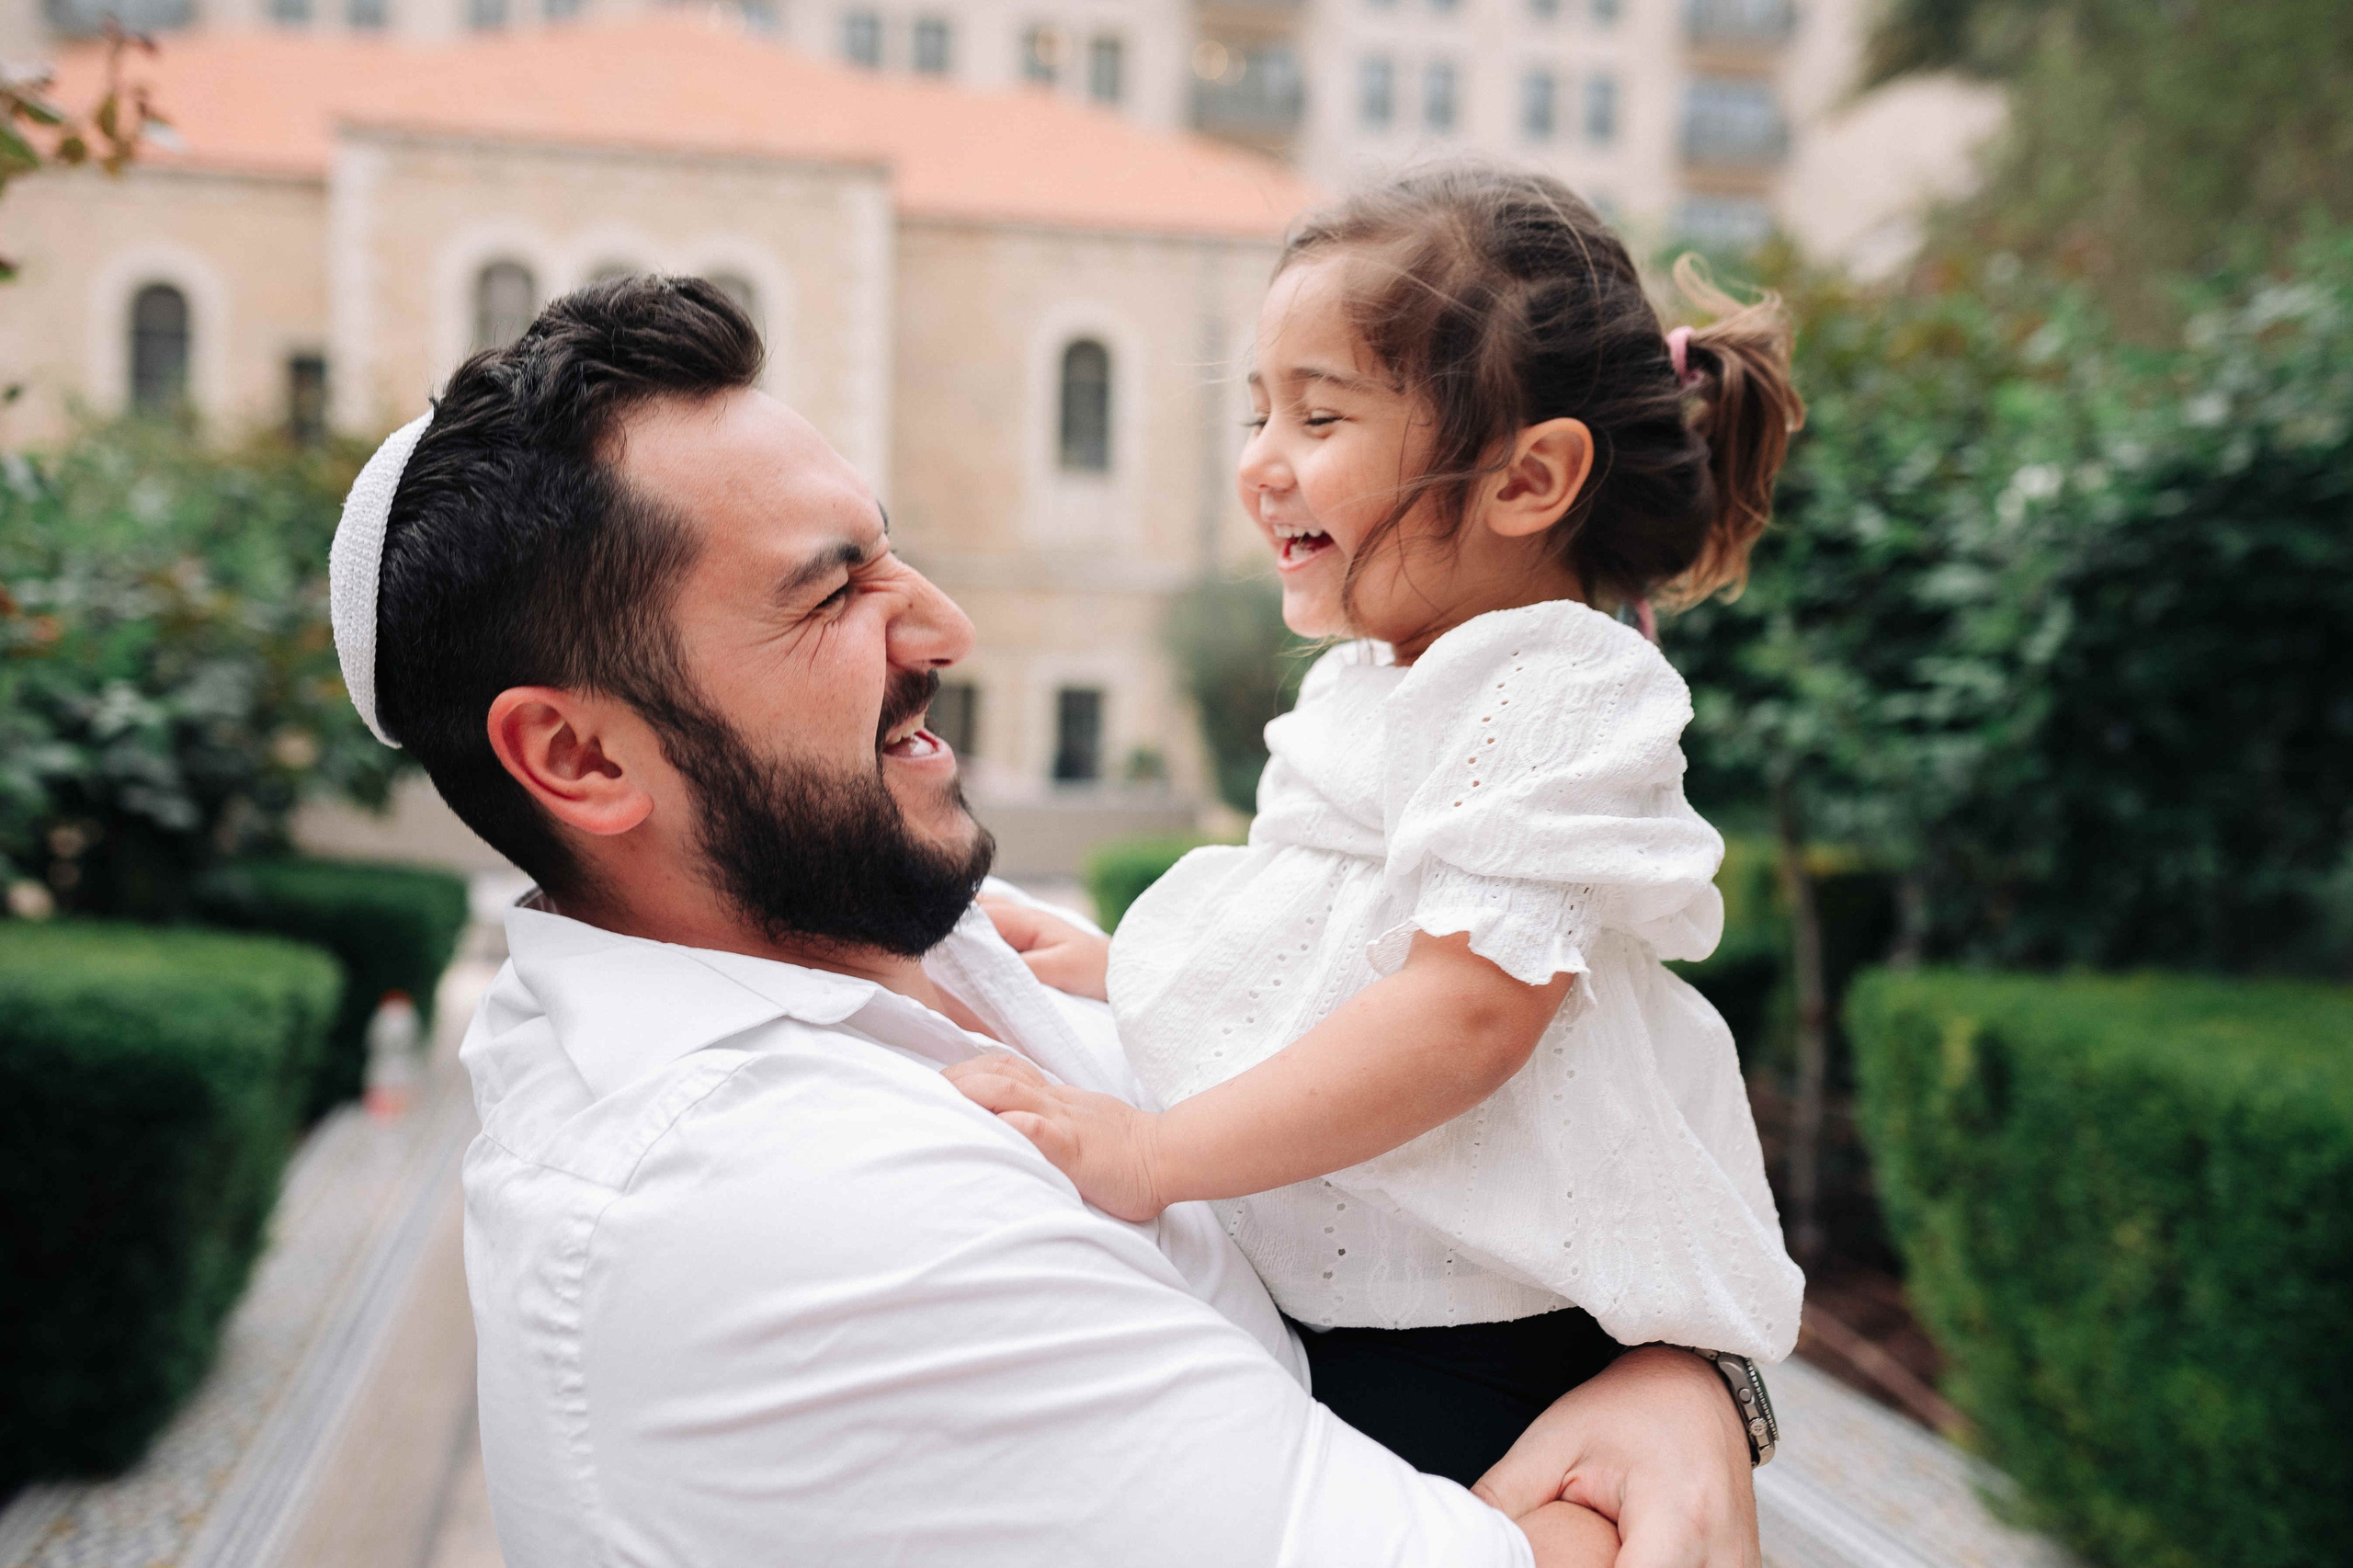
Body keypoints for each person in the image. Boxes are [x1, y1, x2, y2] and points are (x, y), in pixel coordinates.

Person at [328, 271, 1766, 1567]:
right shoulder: (788, 1207)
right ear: (579, 757)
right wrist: (1675, 1407)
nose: (944, 626)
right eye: (834, 593)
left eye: (891, 552)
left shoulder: (879, 919)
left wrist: (1691, 1369)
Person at [952, 165, 1808, 1485]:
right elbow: (1322, 940)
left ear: (1531, 479)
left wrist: (1152, 1153)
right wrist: (1129, 965)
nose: (1259, 463)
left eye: (1320, 413)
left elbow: (1463, 1013)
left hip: (1474, 1342)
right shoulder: (1379, 677)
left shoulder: (1557, 682)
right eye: (1257, 411)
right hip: (1362, 1307)